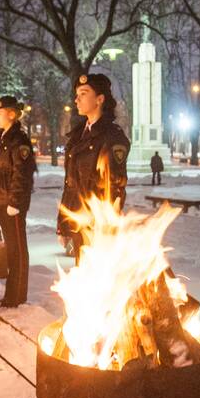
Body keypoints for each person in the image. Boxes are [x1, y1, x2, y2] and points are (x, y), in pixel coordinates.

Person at [57, 74, 130, 261]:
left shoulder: (112, 137)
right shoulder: (77, 136)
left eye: (83, 93)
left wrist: (105, 225)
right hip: (78, 220)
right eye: (76, 94)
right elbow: (70, 184)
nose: (76, 99)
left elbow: (114, 186)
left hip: (97, 225)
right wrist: (63, 223)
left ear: (99, 99)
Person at [0, 96, 35, 307]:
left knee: (18, 250)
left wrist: (14, 202)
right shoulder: (3, 137)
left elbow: (21, 174)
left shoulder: (18, 140)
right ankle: (10, 294)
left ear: (11, 114)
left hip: (12, 204)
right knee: (10, 250)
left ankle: (18, 295)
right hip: (2, 201)